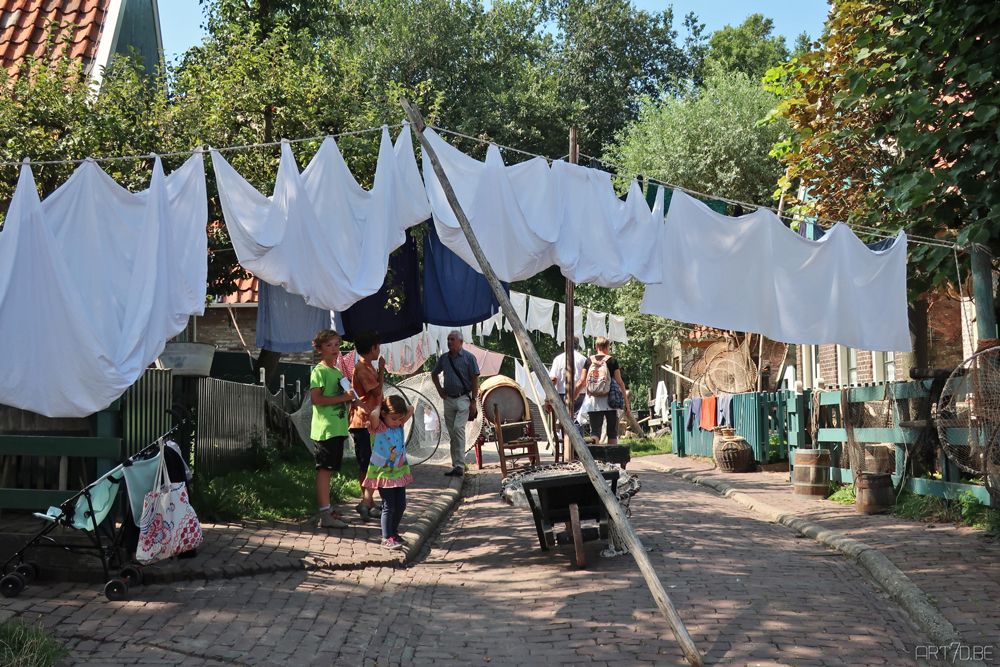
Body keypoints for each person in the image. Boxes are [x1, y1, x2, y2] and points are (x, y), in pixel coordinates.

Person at [310, 329, 357, 528]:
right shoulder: (319, 371)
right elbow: (316, 399)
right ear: (319, 349)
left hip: (338, 428)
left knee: (330, 470)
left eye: (337, 344)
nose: (334, 349)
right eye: (329, 345)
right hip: (325, 429)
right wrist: (344, 398)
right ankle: (324, 515)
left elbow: (339, 400)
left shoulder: (337, 371)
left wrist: (350, 399)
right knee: (324, 471)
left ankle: (328, 510)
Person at [363, 395, 415, 550]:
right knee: (389, 506)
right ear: (384, 414)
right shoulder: (378, 427)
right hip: (384, 474)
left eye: (400, 419)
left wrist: (397, 415)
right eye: (394, 418)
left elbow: (410, 409)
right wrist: (379, 405)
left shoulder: (398, 425)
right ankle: (386, 537)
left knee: (401, 505)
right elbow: (373, 414)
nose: (399, 422)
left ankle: (393, 532)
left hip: (398, 473)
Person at [431, 330, 480, 476]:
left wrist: (473, 401)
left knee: (459, 428)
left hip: (464, 398)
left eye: (452, 339)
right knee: (452, 433)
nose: (449, 342)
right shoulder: (444, 358)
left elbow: (475, 380)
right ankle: (456, 465)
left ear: (460, 342)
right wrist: (440, 390)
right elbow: (434, 374)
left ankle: (459, 465)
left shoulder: (469, 358)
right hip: (449, 400)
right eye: (448, 339)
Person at [349, 330, 385, 522]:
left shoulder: (368, 367)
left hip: (371, 421)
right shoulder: (363, 368)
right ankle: (367, 502)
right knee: (365, 462)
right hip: (362, 421)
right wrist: (382, 370)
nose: (379, 350)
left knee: (372, 462)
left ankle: (369, 503)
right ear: (372, 349)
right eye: (378, 347)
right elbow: (377, 389)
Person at [585, 336, 631, 444]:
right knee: (612, 432)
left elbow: (582, 381)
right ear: (607, 347)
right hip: (611, 402)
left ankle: (595, 458)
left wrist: (575, 397)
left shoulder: (589, 361)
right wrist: (626, 404)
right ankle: (612, 458)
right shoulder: (612, 361)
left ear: (596, 347)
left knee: (595, 432)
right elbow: (620, 383)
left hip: (594, 401)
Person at [549, 337, 590, 415]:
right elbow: (585, 380)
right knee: (577, 421)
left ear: (565, 346)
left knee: (563, 421)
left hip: (561, 394)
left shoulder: (558, 359)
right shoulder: (584, 359)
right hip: (580, 395)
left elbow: (553, 379)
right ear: (577, 347)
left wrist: (548, 399)